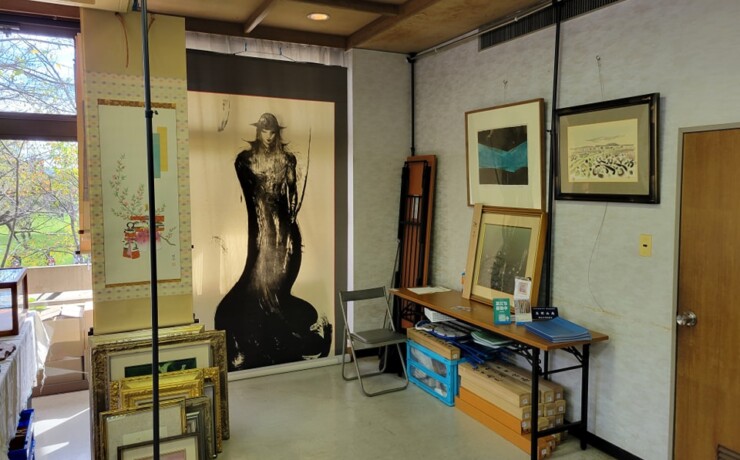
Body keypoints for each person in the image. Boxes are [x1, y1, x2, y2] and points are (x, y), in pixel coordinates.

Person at [215, 113, 332, 371]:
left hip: (285, 233)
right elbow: (251, 196)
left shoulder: (288, 160)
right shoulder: (244, 160)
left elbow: (291, 198)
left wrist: (287, 229)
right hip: (261, 228)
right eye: (264, 131)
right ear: (258, 132)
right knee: (257, 281)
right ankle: (262, 337)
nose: (268, 136)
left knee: (278, 286)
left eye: (272, 132)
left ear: (277, 133)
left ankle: (279, 336)